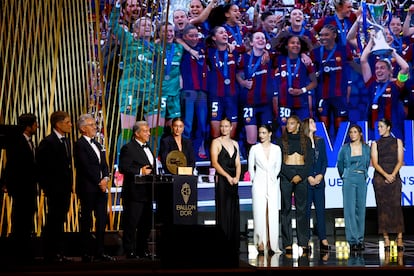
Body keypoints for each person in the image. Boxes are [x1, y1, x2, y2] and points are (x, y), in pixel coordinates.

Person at [73, 114, 116, 263]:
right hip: (88, 188)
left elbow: (104, 165)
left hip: (101, 189)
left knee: (102, 220)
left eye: (94, 124)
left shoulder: (98, 144)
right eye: (91, 125)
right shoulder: (79, 144)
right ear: (83, 128)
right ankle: (85, 252)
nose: (95, 127)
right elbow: (84, 167)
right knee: (86, 221)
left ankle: (100, 251)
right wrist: (99, 182)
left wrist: (105, 179)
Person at [36, 111, 73, 263]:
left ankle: (59, 252)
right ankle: (50, 254)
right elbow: (41, 168)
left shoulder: (66, 141)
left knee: (60, 220)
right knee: (53, 221)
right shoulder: (48, 142)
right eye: (68, 122)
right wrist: (48, 187)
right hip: (54, 190)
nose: (71, 125)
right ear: (58, 124)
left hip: (65, 189)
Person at [360, 33, 409, 140]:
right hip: (375, 128)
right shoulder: (371, 83)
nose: (378, 70)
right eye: (377, 68)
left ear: (390, 70)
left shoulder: (397, 85)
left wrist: (392, 52)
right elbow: (363, 60)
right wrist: (371, 42)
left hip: (393, 128)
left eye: (382, 68)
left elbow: (405, 68)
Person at [3, 113, 38, 264]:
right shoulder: (17, 143)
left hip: (29, 188)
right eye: (35, 124)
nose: (37, 126)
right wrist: (7, 184)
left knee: (27, 220)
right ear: (28, 126)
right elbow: (11, 165)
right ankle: (20, 255)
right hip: (20, 188)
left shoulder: (30, 142)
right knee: (20, 221)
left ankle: (26, 253)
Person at [276, 115, 312, 255]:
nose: (288, 126)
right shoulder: (281, 141)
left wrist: (301, 175)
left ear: (298, 125)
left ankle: (303, 241)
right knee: (286, 210)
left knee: (301, 210)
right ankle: (287, 243)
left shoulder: (306, 141)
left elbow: (309, 162)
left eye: (292, 123)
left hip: (301, 175)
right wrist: (291, 175)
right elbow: (279, 162)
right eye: (287, 123)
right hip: (286, 175)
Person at [118, 120, 154, 259]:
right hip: (134, 193)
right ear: (137, 133)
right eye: (145, 131)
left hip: (148, 192)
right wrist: (140, 170)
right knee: (131, 224)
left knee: (145, 224)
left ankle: (142, 249)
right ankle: (129, 250)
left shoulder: (148, 147)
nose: (149, 133)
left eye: (148, 130)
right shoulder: (128, 148)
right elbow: (123, 167)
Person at [371, 118, 405, 252]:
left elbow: (400, 160)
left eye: (381, 126)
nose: (378, 129)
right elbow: (375, 162)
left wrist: (392, 175)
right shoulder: (375, 143)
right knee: (383, 207)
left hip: (394, 176)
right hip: (380, 178)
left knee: (396, 206)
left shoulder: (397, 142)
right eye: (378, 126)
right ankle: (385, 238)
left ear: (388, 127)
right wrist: (386, 175)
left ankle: (400, 237)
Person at [247, 124, 282, 255]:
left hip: (273, 183)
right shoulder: (254, 149)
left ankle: (272, 243)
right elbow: (251, 168)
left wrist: (273, 178)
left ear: (270, 133)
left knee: (272, 213)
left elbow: (278, 167)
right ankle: (260, 242)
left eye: (263, 133)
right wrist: (254, 180)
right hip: (259, 183)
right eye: (260, 133)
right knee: (259, 212)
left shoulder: (276, 149)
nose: (261, 135)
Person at [336, 124, 371, 252]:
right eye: (350, 132)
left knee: (360, 209)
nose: (352, 134)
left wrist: (362, 174)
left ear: (360, 134)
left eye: (355, 132)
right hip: (349, 179)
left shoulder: (366, 148)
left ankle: (360, 240)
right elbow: (340, 165)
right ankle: (352, 241)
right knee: (349, 210)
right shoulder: (344, 149)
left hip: (361, 178)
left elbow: (367, 164)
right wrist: (346, 176)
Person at [210, 117, 241, 253]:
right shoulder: (216, 142)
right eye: (221, 126)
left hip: (234, 181)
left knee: (233, 209)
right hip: (223, 180)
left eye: (226, 126)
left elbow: (238, 163)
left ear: (231, 127)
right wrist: (228, 177)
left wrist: (237, 177)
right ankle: (223, 242)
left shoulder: (235, 143)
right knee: (224, 209)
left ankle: (233, 243)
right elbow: (215, 163)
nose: (223, 128)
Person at [302, 117, 330, 251]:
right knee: (306, 212)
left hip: (319, 181)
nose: (314, 124)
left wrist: (320, 175)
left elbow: (324, 161)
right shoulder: (302, 143)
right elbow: (301, 162)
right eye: (312, 122)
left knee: (320, 211)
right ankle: (305, 239)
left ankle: (323, 238)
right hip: (307, 183)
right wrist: (308, 176)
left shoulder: (321, 141)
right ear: (307, 126)